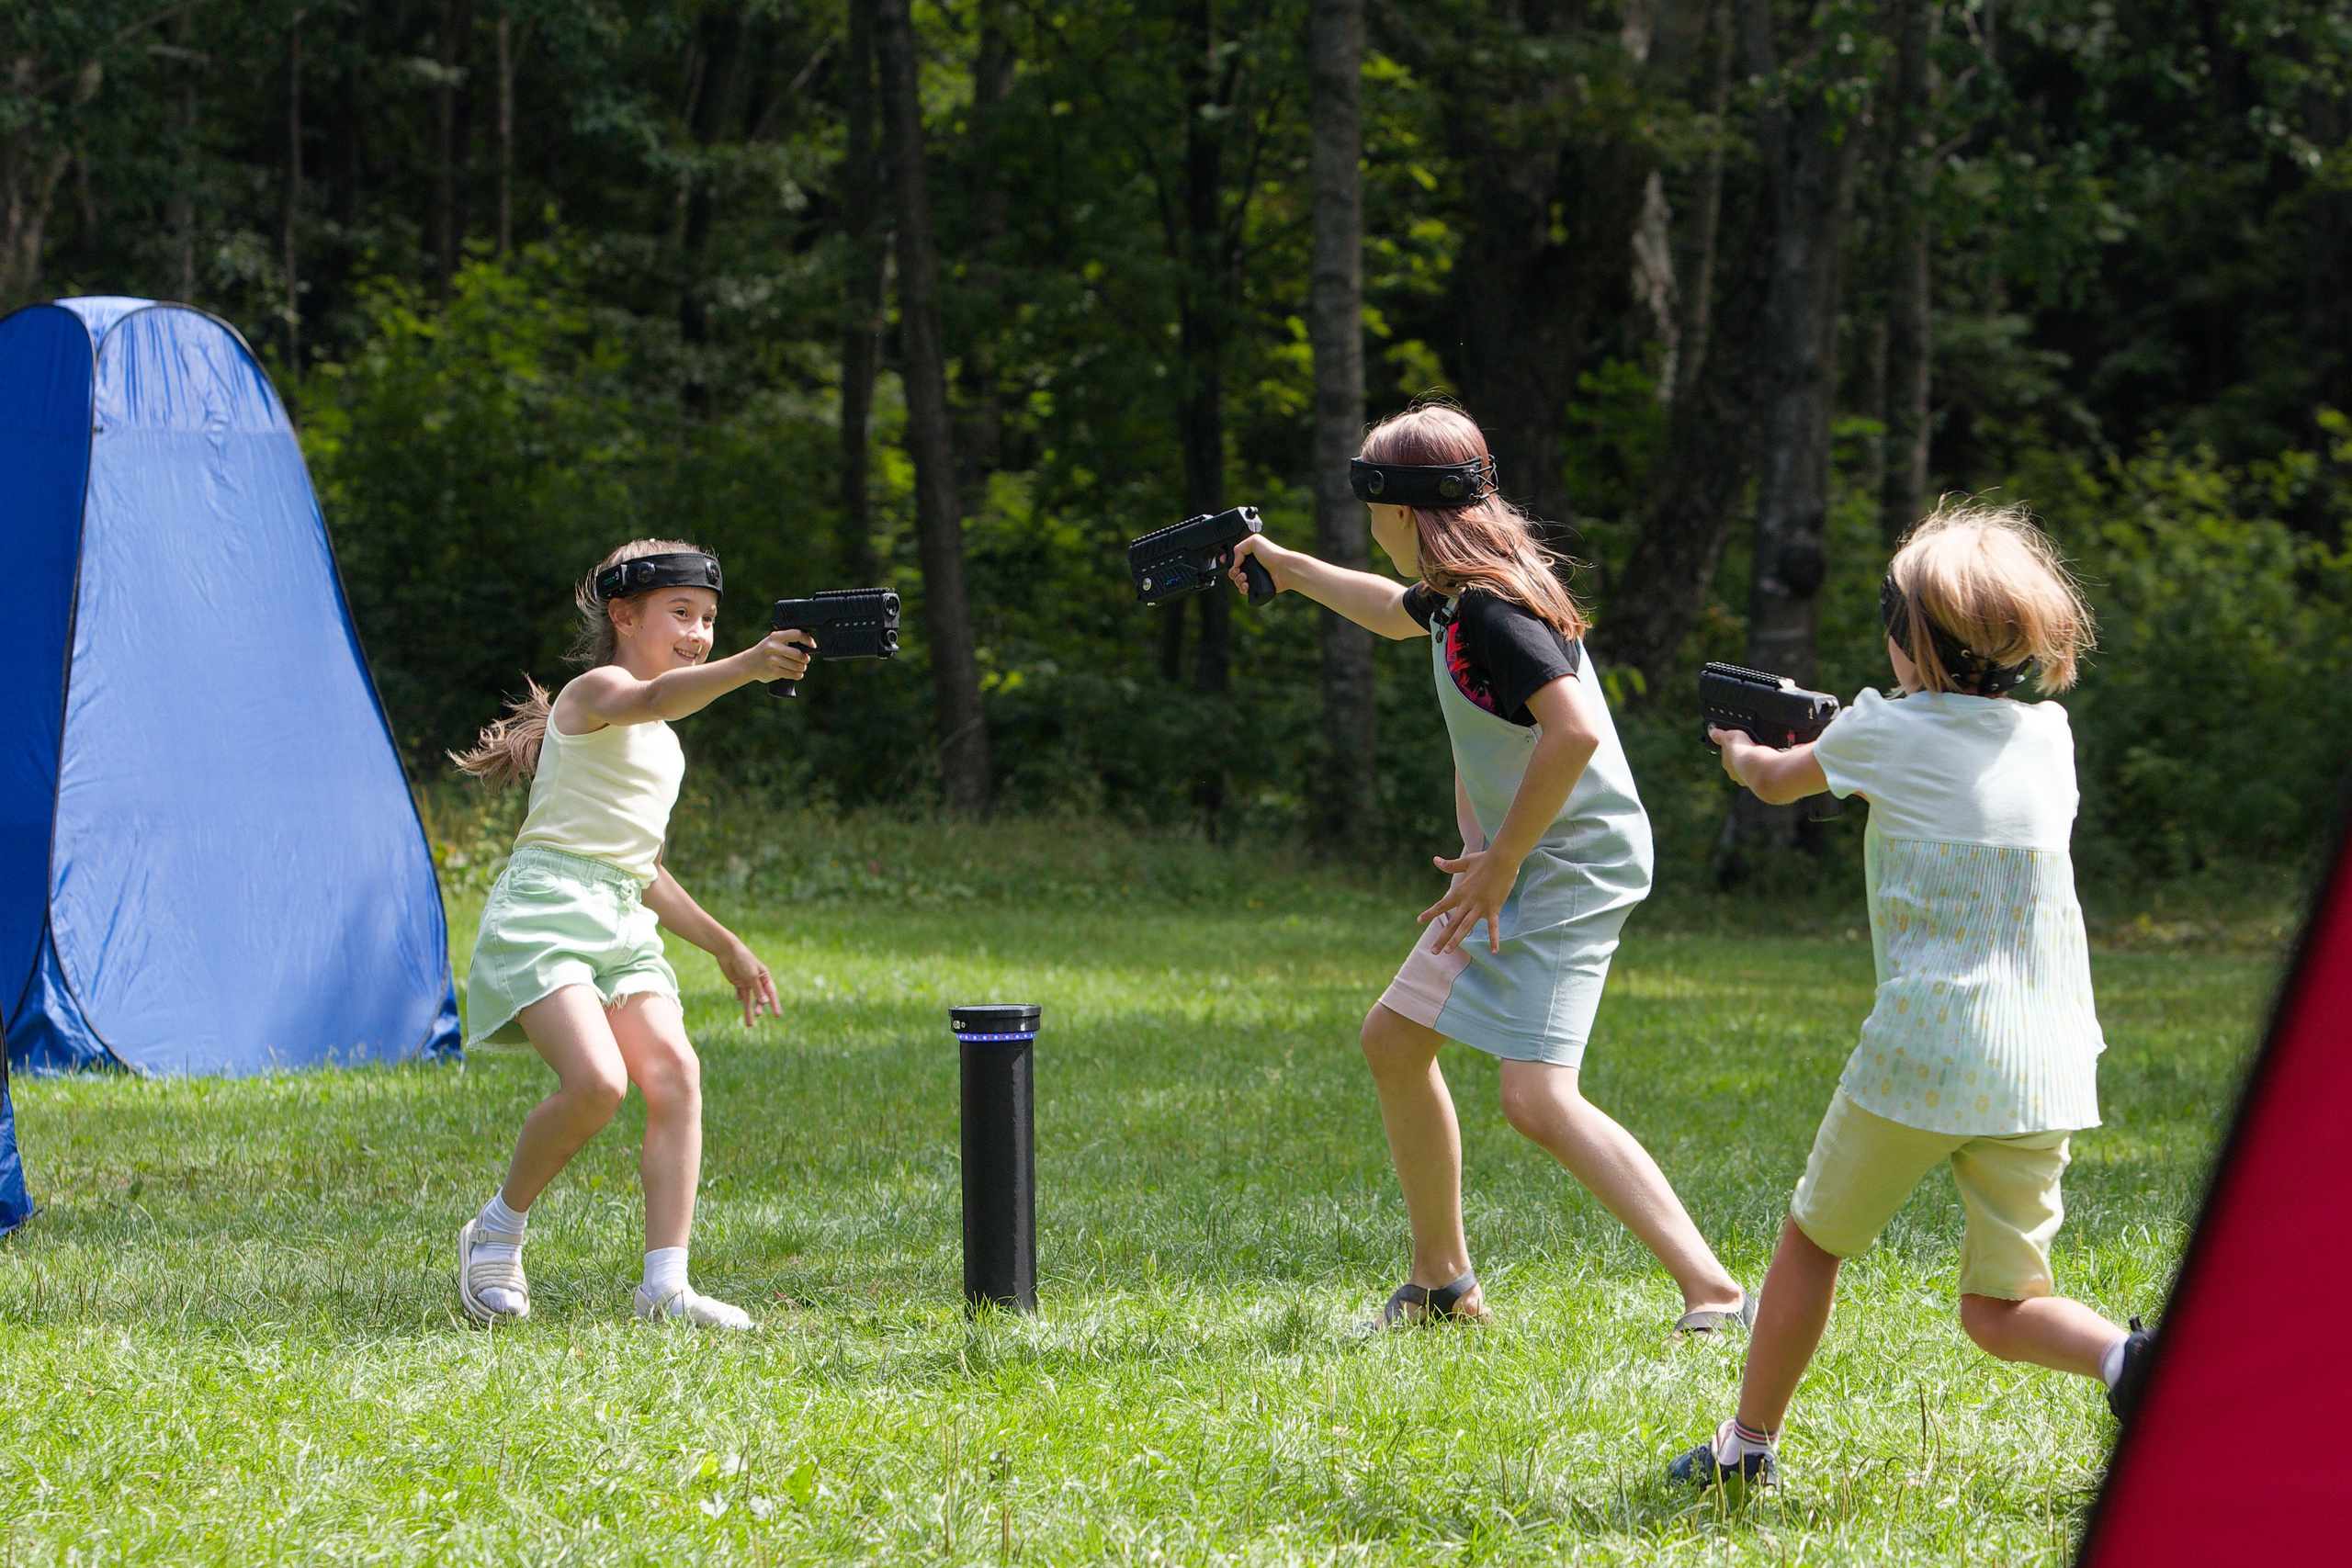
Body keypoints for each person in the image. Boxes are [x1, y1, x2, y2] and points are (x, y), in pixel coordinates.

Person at [1229, 402, 1749, 1334]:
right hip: (1512, 860)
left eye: (1372, 512)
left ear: (1401, 513)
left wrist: (1503, 859)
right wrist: (1291, 568)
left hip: (1568, 865)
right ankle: (1442, 1283)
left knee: (1536, 1099)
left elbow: (1576, 732)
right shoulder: (1453, 592)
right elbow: (1394, 616)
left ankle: (1712, 1291)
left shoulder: (1492, 609)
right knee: (1393, 1040)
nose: (1369, 531)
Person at [1671, 502, 2153, 1489]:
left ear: (1908, 638)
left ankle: (1745, 1449)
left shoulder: (1877, 731)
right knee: (2001, 1307)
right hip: (2046, 1060)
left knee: (1813, 1240)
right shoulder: (2050, 738)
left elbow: (1773, 782)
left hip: (1926, 1048)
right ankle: (2130, 1361)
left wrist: (1739, 749)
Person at [447, 539, 811, 1330]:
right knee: (599, 1083)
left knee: (677, 1071)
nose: (698, 631)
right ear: (622, 614)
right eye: (680, 613)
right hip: (547, 909)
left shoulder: (667, 746)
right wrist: (750, 663)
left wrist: (725, 945)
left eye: (710, 619)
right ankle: (496, 1231)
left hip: (620, 917)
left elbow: (642, 867)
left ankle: (665, 1287)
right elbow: (655, 697)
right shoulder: (599, 689)